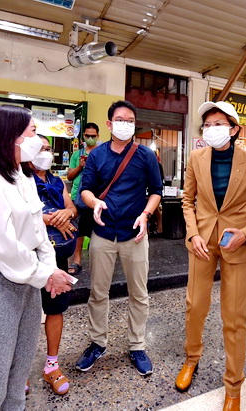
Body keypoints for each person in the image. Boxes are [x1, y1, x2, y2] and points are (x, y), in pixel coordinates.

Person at [0, 105, 72, 410]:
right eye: (32, 132)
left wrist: (49, 269)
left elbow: (39, 232)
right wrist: (45, 274)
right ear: (10, 136)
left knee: (18, 371)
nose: (38, 141)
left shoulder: (21, 176)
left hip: (29, 279)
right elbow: (2, 245)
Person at [176, 101, 246, 411]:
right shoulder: (196, 158)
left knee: (234, 317)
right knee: (195, 306)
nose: (211, 129)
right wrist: (193, 234)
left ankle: (233, 384)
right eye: (207, 124)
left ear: (234, 129)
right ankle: (191, 358)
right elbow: (187, 201)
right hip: (202, 243)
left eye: (218, 124)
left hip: (237, 244)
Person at [76, 100, 163, 375]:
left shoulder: (145, 156)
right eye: (120, 120)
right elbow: (86, 189)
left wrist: (146, 214)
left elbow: (156, 190)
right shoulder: (97, 156)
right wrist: (94, 203)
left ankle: (137, 345)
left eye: (130, 121)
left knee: (139, 293)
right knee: (98, 292)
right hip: (102, 233)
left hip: (134, 234)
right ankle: (97, 343)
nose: (126, 124)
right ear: (109, 124)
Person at [24, 135, 78, 395]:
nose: (45, 152)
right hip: (28, 254)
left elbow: (71, 207)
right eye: (40, 148)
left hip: (57, 255)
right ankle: (20, 369)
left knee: (55, 307)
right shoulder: (19, 179)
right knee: (25, 312)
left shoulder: (57, 181)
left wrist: (67, 213)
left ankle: (52, 365)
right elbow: (17, 214)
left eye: (48, 148)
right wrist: (46, 219)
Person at [67, 122, 99, 275]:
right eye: (88, 136)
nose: (90, 138)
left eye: (93, 136)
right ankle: (77, 259)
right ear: (83, 137)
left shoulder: (101, 153)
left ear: (98, 136)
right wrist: (80, 166)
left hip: (96, 198)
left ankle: (97, 261)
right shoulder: (76, 155)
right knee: (77, 230)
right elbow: (69, 176)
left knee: (96, 230)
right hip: (77, 198)